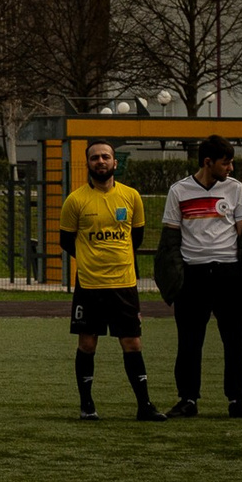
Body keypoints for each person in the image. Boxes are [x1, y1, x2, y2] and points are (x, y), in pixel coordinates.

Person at [59, 139, 159, 422]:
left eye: (105, 157)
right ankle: (87, 405)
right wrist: (92, 259)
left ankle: (145, 406)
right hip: (89, 286)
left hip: (124, 285)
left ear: (115, 162)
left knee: (132, 343)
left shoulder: (131, 197)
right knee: (87, 345)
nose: (100, 162)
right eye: (94, 158)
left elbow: (135, 237)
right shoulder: (75, 200)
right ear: (88, 163)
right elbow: (67, 241)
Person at [159, 134, 242, 419]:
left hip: (229, 275)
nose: (231, 168)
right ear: (207, 162)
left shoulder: (235, 189)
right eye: (226, 163)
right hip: (193, 275)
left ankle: (237, 400)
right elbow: (170, 240)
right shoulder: (179, 191)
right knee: (189, 341)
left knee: (234, 341)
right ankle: (188, 399)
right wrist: (175, 278)